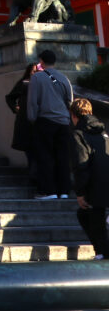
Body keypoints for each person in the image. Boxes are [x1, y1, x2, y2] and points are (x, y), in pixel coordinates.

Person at [27, 49, 74, 199]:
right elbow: (70, 100)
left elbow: (33, 102)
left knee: (45, 156)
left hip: (45, 120)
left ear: (41, 61)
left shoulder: (37, 78)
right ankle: (64, 190)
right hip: (63, 121)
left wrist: (32, 118)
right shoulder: (64, 78)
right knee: (63, 156)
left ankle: (49, 190)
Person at [68, 98, 109, 260]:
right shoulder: (103, 133)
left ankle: (102, 252)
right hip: (105, 180)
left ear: (73, 115)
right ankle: (103, 252)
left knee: (90, 216)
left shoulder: (78, 135)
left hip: (94, 184)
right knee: (93, 216)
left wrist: (80, 192)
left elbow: (80, 165)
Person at [5, 62, 38, 186]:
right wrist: (16, 108)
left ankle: (34, 176)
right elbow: (10, 97)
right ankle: (33, 176)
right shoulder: (23, 83)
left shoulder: (41, 83)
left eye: (37, 71)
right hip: (25, 122)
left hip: (37, 122)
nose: (35, 73)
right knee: (30, 151)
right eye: (33, 71)